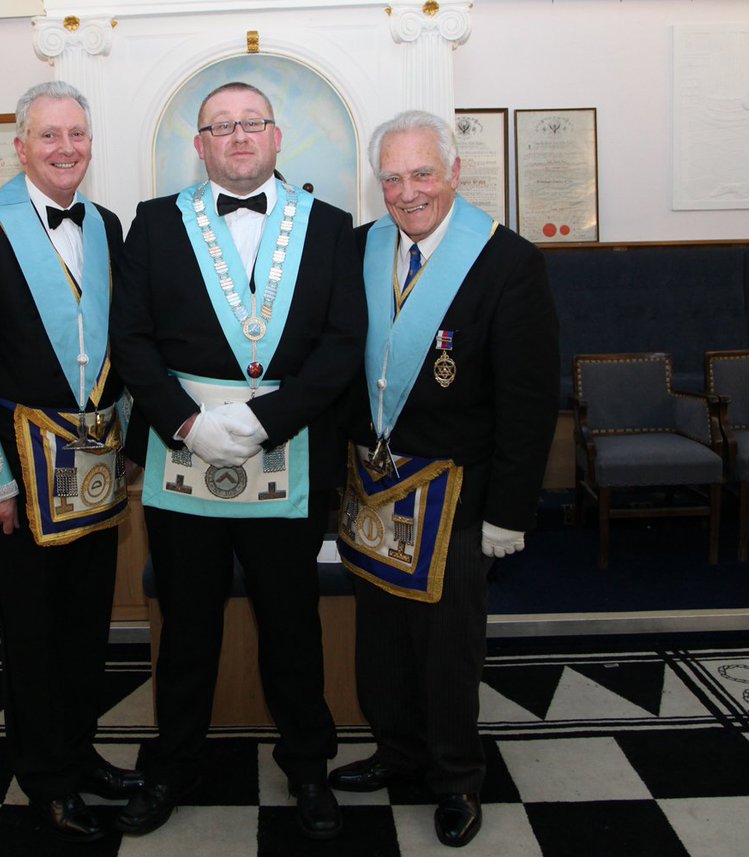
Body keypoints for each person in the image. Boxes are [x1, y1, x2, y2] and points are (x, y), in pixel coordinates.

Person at [111, 81, 366, 840]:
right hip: (179, 455)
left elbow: (341, 346)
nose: (239, 137)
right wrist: (187, 421)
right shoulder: (153, 227)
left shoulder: (330, 227)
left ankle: (309, 764)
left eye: (251, 123)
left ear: (277, 135)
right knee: (186, 625)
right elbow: (132, 340)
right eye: (221, 126)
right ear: (200, 145)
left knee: (292, 623)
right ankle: (172, 764)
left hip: (287, 451)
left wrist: (263, 421)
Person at [329, 109, 559, 848]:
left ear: (454, 172)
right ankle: (397, 752)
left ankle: (457, 774)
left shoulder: (507, 261)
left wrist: (510, 511)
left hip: (460, 492)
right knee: (382, 634)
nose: (407, 191)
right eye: (391, 177)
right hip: (374, 484)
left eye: (422, 173)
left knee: (448, 644)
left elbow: (529, 401)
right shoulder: (360, 249)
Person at [0, 80, 142, 844]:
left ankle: (80, 753)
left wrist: (123, 453)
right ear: (19, 145)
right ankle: (45, 779)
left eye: (78, 135)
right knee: (32, 635)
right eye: (50, 135)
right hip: (19, 476)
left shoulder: (107, 225)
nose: (66, 149)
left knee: (86, 628)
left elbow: (114, 353)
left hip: (91, 469)